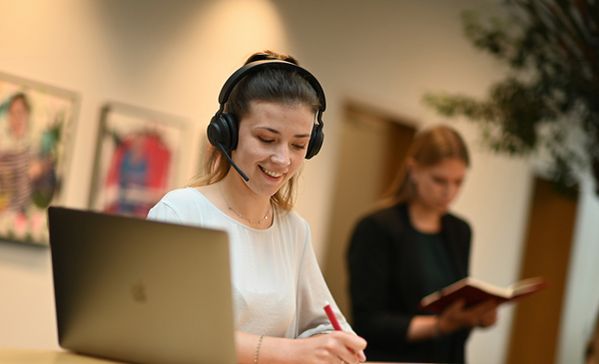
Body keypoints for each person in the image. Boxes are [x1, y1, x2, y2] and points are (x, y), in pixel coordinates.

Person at [148, 50, 367, 364]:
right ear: (228, 133)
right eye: (267, 139)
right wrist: (287, 352)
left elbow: (321, 323)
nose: (283, 159)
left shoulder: (293, 230)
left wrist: (334, 344)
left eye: (299, 145)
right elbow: (161, 329)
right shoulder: (181, 213)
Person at [347, 125, 497, 363]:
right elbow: (368, 321)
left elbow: (456, 304)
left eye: (458, 182)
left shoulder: (460, 231)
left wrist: (476, 316)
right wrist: (440, 325)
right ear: (413, 170)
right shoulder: (377, 228)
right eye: (439, 180)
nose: (449, 192)